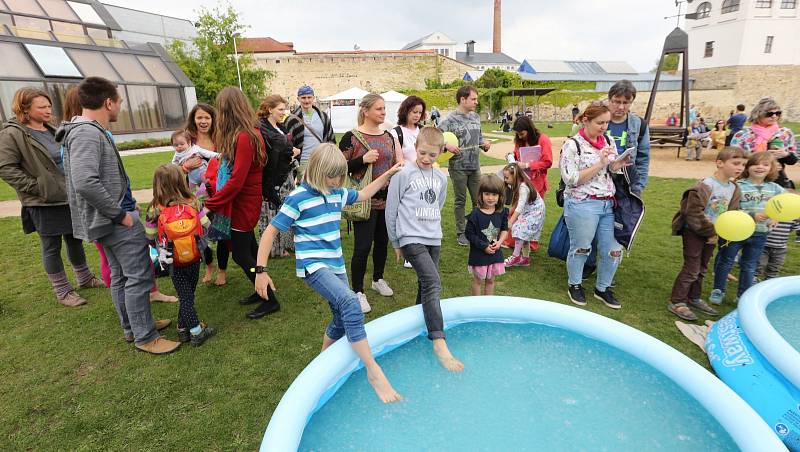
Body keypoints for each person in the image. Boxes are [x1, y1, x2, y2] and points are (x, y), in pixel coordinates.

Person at [255, 143, 403, 403]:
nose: (337, 181)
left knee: (341, 317)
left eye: (340, 176)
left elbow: (364, 194)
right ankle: (373, 370)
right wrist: (261, 271)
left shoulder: (336, 193)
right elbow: (270, 232)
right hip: (314, 266)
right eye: (332, 175)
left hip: (335, 264)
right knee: (350, 302)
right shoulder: (298, 197)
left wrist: (388, 173)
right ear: (317, 170)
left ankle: (320, 367)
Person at [60, 77, 179, 354]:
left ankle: (134, 327)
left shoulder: (84, 130)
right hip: (113, 221)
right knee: (137, 276)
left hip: (109, 219)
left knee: (120, 276)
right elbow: (85, 181)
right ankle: (145, 336)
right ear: (108, 102)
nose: (120, 107)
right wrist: (119, 215)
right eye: (120, 101)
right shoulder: (87, 133)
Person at [0, 87, 104, 307]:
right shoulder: (12, 133)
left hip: (68, 196)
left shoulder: (51, 129)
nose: (48, 110)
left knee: (75, 239)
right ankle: (63, 291)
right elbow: (6, 168)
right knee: (51, 246)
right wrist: (38, 187)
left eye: (49, 106)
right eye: (42, 107)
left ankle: (84, 278)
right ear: (25, 109)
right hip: (43, 201)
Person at [385, 126, 464, 372]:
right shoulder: (403, 175)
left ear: (440, 152)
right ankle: (439, 341)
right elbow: (392, 210)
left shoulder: (441, 178)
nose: (426, 158)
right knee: (433, 282)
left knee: (424, 284)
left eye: (432, 155)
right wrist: (396, 242)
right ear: (415, 148)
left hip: (433, 238)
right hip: (410, 238)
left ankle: (416, 330)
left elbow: (438, 206)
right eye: (422, 153)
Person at [204, 87, 280, 320]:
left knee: (240, 253)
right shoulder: (247, 133)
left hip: (244, 203)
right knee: (250, 249)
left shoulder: (246, 136)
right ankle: (262, 290)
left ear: (227, 110)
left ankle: (270, 300)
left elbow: (237, 180)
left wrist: (212, 203)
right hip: (244, 201)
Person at [560, 104, 631, 309]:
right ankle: (574, 284)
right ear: (586, 121)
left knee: (613, 250)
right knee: (581, 247)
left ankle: (603, 288)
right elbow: (571, 179)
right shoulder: (573, 145)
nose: (604, 127)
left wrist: (618, 165)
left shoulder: (608, 140)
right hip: (582, 203)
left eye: (607, 122)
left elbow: (611, 170)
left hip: (609, 204)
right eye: (600, 122)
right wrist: (600, 163)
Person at [339, 93, 401, 312]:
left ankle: (377, 279)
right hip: (363, 201)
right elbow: (336, 168)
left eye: (384, 109)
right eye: (379, 109)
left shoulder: (388, 137)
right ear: (365, 111)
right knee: (362, 247)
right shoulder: (352, 137)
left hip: (387, 201)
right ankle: (357, 291)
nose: (383, 112)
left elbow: (395, 164)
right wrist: (361, 160)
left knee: (382, 243)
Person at [667, 147, 745, 321]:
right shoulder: (705, 185)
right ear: (720, 163)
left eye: (743, 164)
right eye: (735, 163)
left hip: (714, 234)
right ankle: (677, 301)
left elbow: (731, 213)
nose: (740, 167)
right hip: (694, 231)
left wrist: (723, 232)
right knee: (692, 268)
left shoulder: (734, 188)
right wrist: (709, 231)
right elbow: (692, 212)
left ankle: (693, 297)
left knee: (702, 268)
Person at [145, 164, 216, 346]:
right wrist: (211, 239)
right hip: (193, 255)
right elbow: (206, 224)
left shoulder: (154, 209)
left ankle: (182, 329)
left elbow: (150, 236)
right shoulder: (192, 201)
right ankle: (196, 332)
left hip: (171, 259)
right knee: (188, 295)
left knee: (186, 295)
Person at [710, 152, 784, 305]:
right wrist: (752, 214)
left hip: (760, 233)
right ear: (748, 167)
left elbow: (786, 203)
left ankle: (743, 295)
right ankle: (718, 290)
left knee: (749, 265)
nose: (760, 167)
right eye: (756, 164)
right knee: (726, 261)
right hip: (736, 232)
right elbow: (731, 208)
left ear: (771, 168)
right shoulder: (739, 186)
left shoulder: (775, 188)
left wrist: (777, 216)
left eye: (765, 164)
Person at [439, 85, 492, 246]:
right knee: (460, 201)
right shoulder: (449, 120)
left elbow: (480, 138)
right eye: (473, 99)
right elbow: (435, 138)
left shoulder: (475, 117)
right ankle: (461, 233)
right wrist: (446, 144)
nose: (476, 102)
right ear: (463, 99)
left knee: (479, 200)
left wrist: (484, 143)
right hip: (458, 167)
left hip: (475, 166)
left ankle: (477, 229)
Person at [184, 103, 227, 286]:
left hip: (221, 194)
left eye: (206, 117)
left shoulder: (221, 139)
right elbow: (174, 170)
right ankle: (209, 265)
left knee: (223, 232)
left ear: (213, 119)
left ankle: (223, 271)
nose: (203, 121)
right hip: (197, 198)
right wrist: (185, 167)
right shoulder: (187, 142)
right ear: (193, 120)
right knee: (200, 235)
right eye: (199, 117)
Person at [257, 94, 301, 258]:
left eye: (285, 109)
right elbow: (271, 151)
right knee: (273, 211)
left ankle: (286, 244)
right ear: (269, 109)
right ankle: (273, 248)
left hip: (286, 174)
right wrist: (290, 152)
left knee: (287, 209)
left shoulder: (279, 126)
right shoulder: (263, 128)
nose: (284, 112)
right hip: (273, 178)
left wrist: (293, 151)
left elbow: (286, 146)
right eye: (280, 109)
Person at [731, 98, 797, 189]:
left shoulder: (785, 133)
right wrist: (761, 162)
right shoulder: (742, 135)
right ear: (758, 114)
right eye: (769, 114)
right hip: (748, 181)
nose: (774, 116)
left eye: (777, 113)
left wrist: (785, 154)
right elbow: (733, 159)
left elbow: (793, 160)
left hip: (776, 182)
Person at [465, 174, 509, 296]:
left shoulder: (502, 212)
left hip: (495, 253)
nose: (490, 198)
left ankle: (487, 305)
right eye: (487, 194)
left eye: (494, 194)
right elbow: (469, 234)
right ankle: (477, 305)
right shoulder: (475, 214)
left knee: (491, 280)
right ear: (481, 195)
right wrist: (483, 246)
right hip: (479, 254)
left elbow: (505, 229)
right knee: (478, 280)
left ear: (500, 196)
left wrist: (500, 242)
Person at [606, 80, 650, 193]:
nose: (621, 107)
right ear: (609, 99)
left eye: (626, 102)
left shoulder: (640, 125)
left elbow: (643, 158)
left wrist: (638, 186)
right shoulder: (597, 121)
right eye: (616, 101)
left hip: (627, 183)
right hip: (600, 181)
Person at [284, 85, 336, 177]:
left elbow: (330, 139)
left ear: (313, 98)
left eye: (309, 97)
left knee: (322, 190)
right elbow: (287, 143)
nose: (307, 100)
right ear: (298, 99)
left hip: (321, 162)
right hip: (302, 163)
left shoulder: (323, 116)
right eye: (303, 98)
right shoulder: (292, 119)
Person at [502, 163, 545, 268]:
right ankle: (525, 259)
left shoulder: (523, 187)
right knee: (524, 233)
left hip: (535, 212)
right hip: (530, 211)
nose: (505, 180)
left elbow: (519, 207)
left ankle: (516, 256)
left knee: (518, 228)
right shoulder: (520, 184)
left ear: (515, 176)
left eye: (507, 177)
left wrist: (511, 221)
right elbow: (517, 203)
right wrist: (508, 212)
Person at [389, 95, 426, 164]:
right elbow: (399, 160)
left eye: (420, 113)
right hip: (406, 172)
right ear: (405, 111)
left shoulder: (423, 130)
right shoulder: (396, 133)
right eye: (414, 112)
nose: (417, 115)